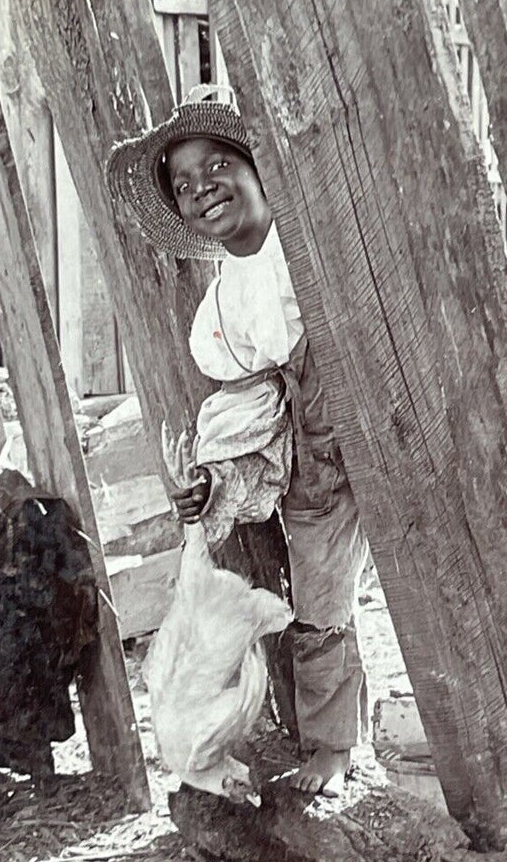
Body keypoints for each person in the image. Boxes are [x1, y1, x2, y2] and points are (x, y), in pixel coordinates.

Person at [106, 85, 370, 797]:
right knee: (317, 597)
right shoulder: (223, 307)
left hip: (371, 409)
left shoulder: (304, 244)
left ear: (257, 168)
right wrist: (214, 476)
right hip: (310, 451)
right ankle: (333, 743)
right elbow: (244, 405)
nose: (202, 189)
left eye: (217, 165)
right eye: (184, 185)